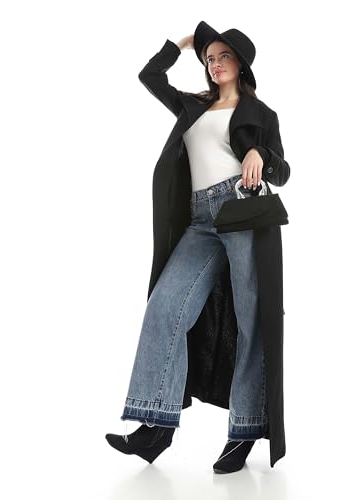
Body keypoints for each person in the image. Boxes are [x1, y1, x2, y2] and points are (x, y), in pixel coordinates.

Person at [106, 21, 290, 473]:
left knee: (250, 321)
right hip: (200, 220)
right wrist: (184, 44)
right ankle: (156, 425)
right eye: (210, 58)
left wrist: (261, 155)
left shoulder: (261, 113)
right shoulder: (193, 105)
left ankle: (244, 430)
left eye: (223, 56)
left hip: (242, 211)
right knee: (164, 306)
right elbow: (150, 76)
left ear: (240, 63)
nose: (215, 63)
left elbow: (283, 171)